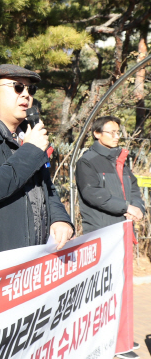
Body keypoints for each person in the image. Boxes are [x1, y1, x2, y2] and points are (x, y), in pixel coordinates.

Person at [0, 64, 74, 256]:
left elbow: (46, 188)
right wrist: (32, 149)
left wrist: (60, 219)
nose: (26, 94)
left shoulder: (28, 137)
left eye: (30, 89)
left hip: (34, 258)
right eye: (17, 87)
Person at [75, 116, 145, 359]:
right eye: (112, 132)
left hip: (124, 230)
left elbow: (134, 189)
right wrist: (125, 207)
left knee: (123, 285)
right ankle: (111, 341)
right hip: (104, 232)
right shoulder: (88, 161)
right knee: (106, 290)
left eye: (118, 132)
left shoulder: (121, 160)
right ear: (96, 133)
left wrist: (137, 207)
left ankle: (122, 336)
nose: (117, 136)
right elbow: (92, 193)